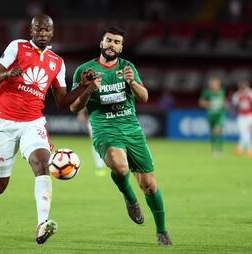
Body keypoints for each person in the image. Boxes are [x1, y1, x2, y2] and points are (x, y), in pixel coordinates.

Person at [0, 14, 95, 245]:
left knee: (41, 162)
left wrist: (84, 87)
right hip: (3, 122)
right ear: (31, 31)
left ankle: (41, 224)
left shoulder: (57, 62)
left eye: (47, 30)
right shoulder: (17, 47)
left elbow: (64, 101)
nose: (43, 34)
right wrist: (7, 73)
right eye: (39, 30)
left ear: (52, 33)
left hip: (33, 122)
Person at [70, 27, 172, 245]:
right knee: (120, 166)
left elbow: (144, 97)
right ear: (101, 43)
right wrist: (87, 89)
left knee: (149, 185)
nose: (112, 45)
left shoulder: (128, 67)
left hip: (131, 128)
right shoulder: (84, 70)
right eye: (108, 40)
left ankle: (162, 231)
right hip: (104, 128)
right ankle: (130, 198)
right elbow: (73, 106)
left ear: (121, 47)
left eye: (117, 42)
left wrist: (132, 83)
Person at [199, 77, 226, 157]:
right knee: (213, 133)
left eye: (215, 83)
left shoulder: (222, 91)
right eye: (212, 84)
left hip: (220, 114)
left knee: (218, 130)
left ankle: (220, 150)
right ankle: (214, 150)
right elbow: (201, 102)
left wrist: (224, 105)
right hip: (211, 115)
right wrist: (208, 104)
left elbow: (223, 101)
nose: (213, 85)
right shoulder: (207, 92)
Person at [77, 109, 106, 176]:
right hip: (94, 119)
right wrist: (81, 114)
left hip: (108, 118)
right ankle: (100, 166)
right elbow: (83, 104)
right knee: (96, 143)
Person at [231, 80, 252, 157]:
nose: (242, 86)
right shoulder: (237, 94)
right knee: (243, 132)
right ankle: (240, 148)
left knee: (246, 132)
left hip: (250, 115)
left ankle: (249, 149)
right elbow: (234, 104)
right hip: (241, 115)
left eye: (243, 84)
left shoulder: (250, 93)